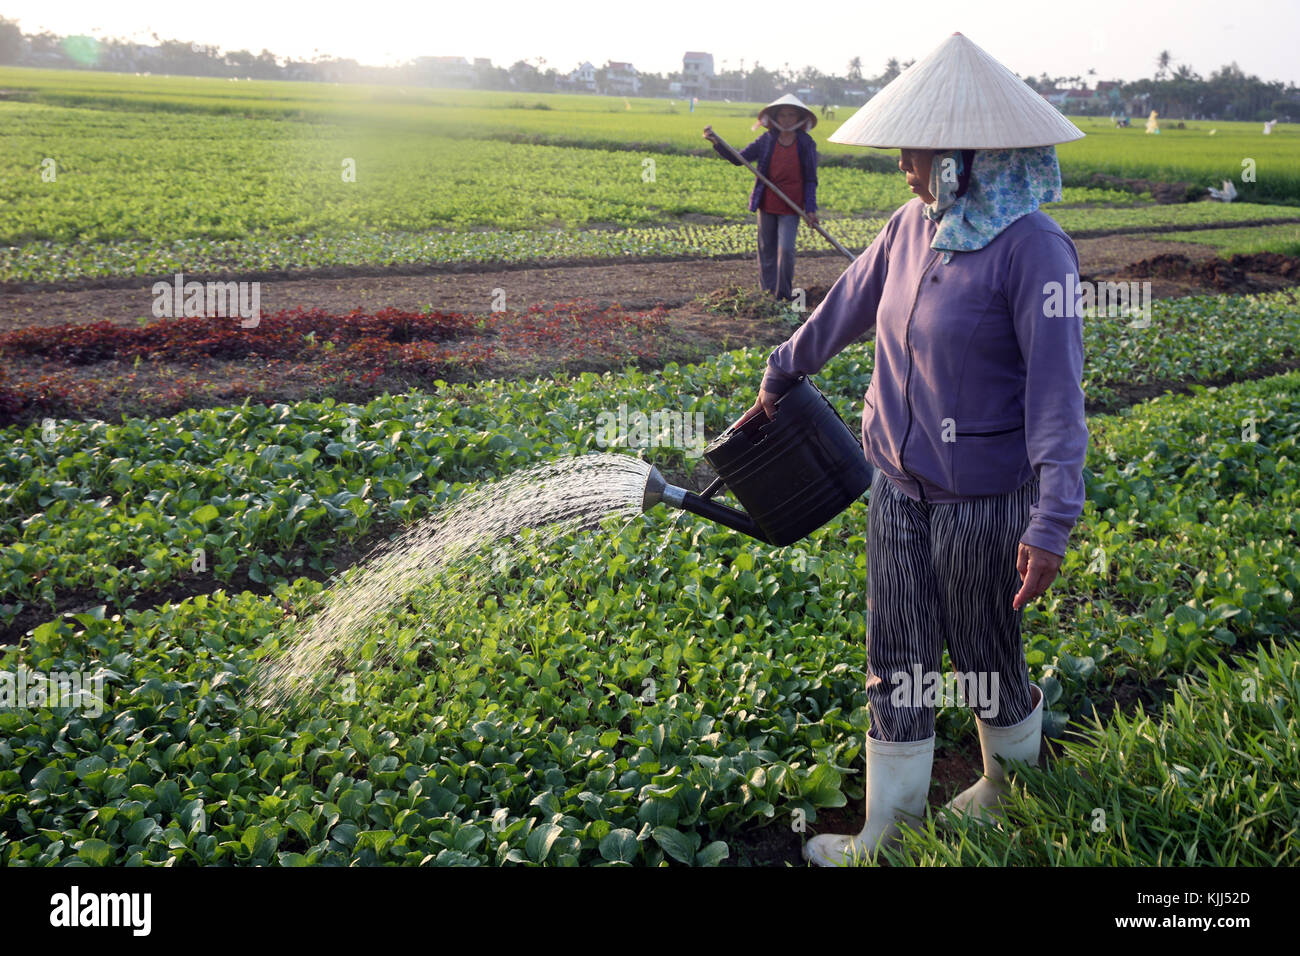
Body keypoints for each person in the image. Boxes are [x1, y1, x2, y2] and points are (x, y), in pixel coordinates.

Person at [743, 33, 1090, 867]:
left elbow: (1056, 396)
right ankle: (888, 829)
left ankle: (1010, 791)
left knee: (982, 652)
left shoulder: (1034, 249)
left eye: (919, 150)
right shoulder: (912, 224)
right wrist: (782, 370)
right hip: (895, 485)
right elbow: (847, 306)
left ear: (967, 155)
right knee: (893, 651)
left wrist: (1051, 523)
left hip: (984, 500)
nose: (904, 164)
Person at [703, 94, 819, 300]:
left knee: (787, 251)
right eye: (782, 115)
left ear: (799, 118)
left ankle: (783, 295)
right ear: (775, 118)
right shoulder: (766, 140)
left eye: (791, 115)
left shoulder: (805, 143)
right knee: (766, 251)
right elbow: (740, 159)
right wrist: (717, 143)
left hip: (792, 207)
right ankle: (767, 295)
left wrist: (811, 209)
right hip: (767, 204)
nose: (786, 120)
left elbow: (810, 179)